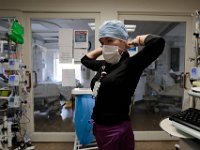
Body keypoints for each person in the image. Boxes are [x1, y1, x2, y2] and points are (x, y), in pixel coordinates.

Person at [81, 20, 165, 150]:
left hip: (115, 128)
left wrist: (135, 41)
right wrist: (103, 47)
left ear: (123, 41)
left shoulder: (131, 65)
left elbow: (158, 42)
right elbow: (85, 60)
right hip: (99, 125)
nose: (106, 46)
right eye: (102, 42)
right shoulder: (105, 65)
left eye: (110, 40)